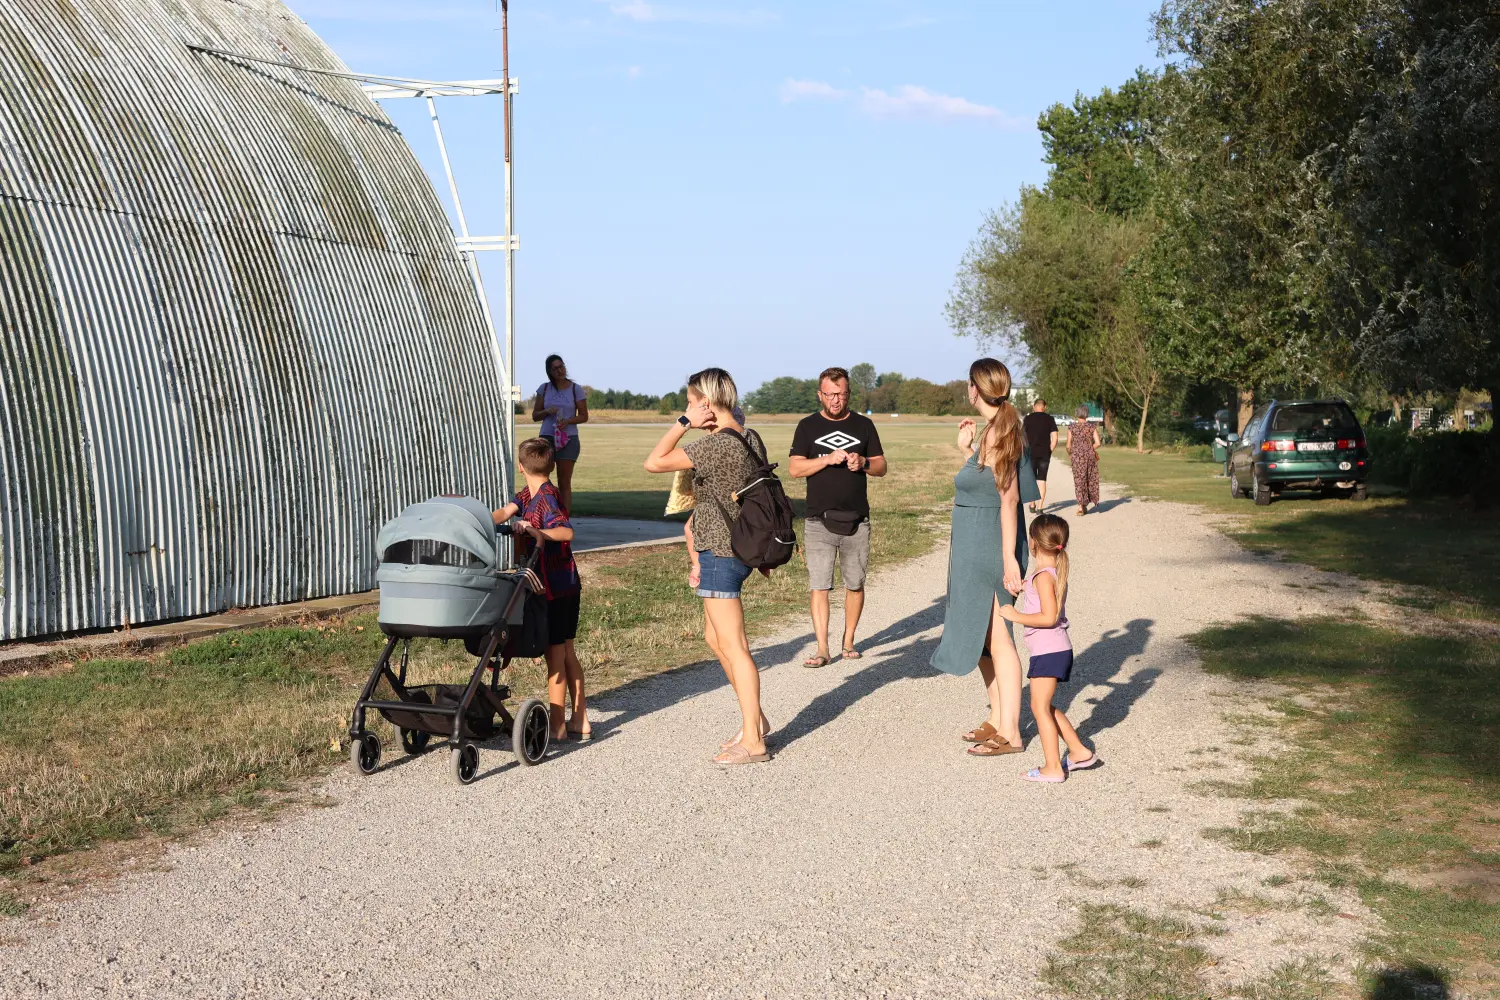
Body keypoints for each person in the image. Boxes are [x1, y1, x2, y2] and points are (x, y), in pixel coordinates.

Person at [644, 369, 772, 765]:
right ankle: (757, 720)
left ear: (705, 402)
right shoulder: (750, 437)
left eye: (689, 402)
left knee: (734, 646)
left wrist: (683, 424)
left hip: (721, 551)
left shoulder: (718, 445)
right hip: (731, 548)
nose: (686, 409)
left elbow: (654, 462)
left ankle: (754, 741)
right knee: (716, 639)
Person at [930, 359, 1040, 757]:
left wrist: (1010, 560)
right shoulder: (993, 431)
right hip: (973, 543)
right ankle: (998, 716)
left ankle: (1012, 731)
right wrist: (966, 450)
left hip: (990, 545)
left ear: (975, 388)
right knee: (983, 641)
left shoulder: (1004, 432)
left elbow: (1009, 501)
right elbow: (985, 483)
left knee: (998, 638)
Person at [491, 438, 589, 741]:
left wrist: (535, 530)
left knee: (555, 655)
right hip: (562, 585)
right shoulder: (530, 493)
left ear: (521, 467)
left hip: (559, 588)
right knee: (566, 652)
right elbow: (506, 511)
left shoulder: (546, 497)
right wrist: (478, 522)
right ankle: (580, 720)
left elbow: (566, 530)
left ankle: (558, 725)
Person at [789, 367, 887, 667]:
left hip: (857, 520)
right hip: (818, 520)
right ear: (820, 394)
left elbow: (882, 466)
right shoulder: (807, 427)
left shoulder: (864, 425)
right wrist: (826, 459)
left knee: (855, 583)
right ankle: (822, 648)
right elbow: (794, 469)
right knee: (820, 585)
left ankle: (848, 641)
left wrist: (864, 462)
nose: (836, 400)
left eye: (841, 394)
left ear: (848, 394)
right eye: (830, 394)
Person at [999, 514, 1098, 782]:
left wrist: (1015, 615)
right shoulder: (1049, 573)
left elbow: (1049, 617)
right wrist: (1024, 589)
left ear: (1032, 542)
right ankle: (1078, 752)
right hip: (1054, 650)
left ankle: (1053, 767)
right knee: (1044, 706)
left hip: (1048, 651)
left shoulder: (1044, 577)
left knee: (1039, 708)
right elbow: (1043, 603)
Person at [532, 354, 589, 514]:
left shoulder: (575, 389)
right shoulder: (544, 388)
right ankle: (544, 515)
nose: (560, 370)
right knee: (542, 479)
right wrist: (546, 411)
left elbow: (584, 416)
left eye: (561, 366)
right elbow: (535, 416)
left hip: (568, 438)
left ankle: (564, 520)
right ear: (549, 372)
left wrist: (568, 421)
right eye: (555, 368)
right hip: (547, 438)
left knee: (564, 481)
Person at [1022, 398, 1058, 514]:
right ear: (1045, 407)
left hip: (1030, 454)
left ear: (1034, 406)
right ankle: (1040, 507)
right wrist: (1050, 450)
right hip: (1044, 454)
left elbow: (1022, 437)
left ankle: (1032, 504)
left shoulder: (1027, 419)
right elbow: (1055, 438)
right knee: (1042, 479)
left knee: (1031, 479)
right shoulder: (1050, 419)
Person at [1067, 407, 1103, 515]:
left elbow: (1068, 445)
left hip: (1076, 457)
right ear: (1087, 415)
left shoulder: (1071, 427)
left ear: (1077, 414)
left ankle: (1080, 506)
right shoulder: (1091, 427)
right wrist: (1088, 448)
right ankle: (1085, 504)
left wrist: (1072, 453)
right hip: (1089, 457)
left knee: (1079, 480)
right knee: (1089, 479)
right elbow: (1098, 443)